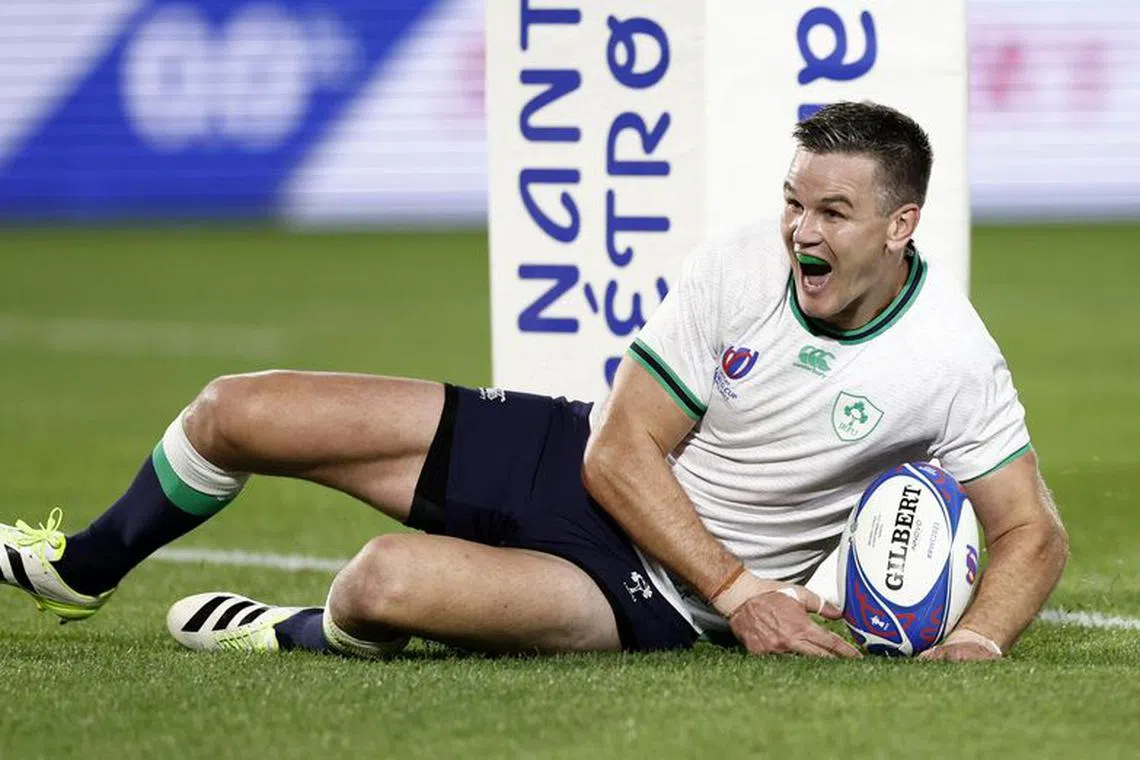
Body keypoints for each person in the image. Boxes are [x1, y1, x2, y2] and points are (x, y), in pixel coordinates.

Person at [0, 102, 1068, 661]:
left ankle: (288, 631)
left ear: (902, 224)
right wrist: (749, 594)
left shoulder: (951, 356)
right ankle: (86, 566)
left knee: (382, 583)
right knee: (239, 408)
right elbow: (617, 446)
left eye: (833, 213)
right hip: (586, 463)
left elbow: (1033, 531)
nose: (801, 229)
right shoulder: (745, 261)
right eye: (795, 200)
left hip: (652, 598)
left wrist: (976, 638)